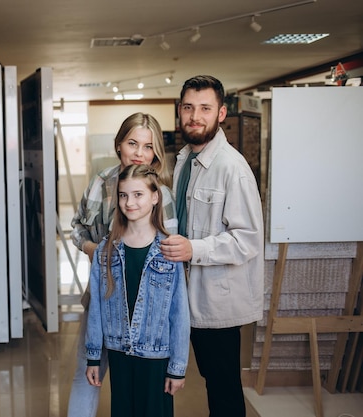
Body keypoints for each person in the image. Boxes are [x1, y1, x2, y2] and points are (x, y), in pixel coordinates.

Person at [160, 75, 264, 417]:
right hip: (185, 292)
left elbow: (247, 240)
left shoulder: (233, 169)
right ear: (179, 111)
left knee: (223, 387)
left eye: (205, 108)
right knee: (204, 376)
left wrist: (195, 249)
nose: (195, 116)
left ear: (221, 113)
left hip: (217, 300)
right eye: (189, 107)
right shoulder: (184, 160)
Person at [68, 112, 177, 417]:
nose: (139, 153)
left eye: (147, 146)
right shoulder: (101, 183)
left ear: (155, 153)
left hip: (147, 301)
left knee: (142, 386)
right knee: (87, 369)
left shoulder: (162, 193)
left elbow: (170, 248)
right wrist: (95, 250)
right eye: (132, 143)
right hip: (104, 294)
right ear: (119, 144)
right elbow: (77, 228)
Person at [84, 164, 190, 417]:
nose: (129, 202)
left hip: (156, 357)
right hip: (120, 353)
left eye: (138, 194)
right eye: (123, 195)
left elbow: (180, 314)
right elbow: (96, 308)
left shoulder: (169, 251)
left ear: (155, 197)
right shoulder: (105, 252)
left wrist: (177, 367)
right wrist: (93, 357)